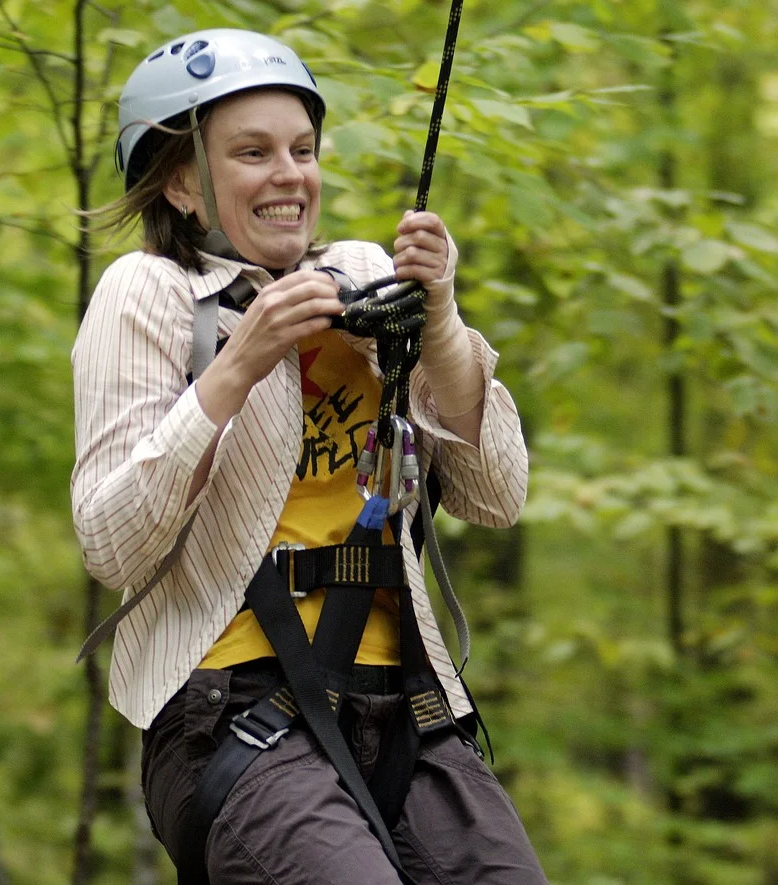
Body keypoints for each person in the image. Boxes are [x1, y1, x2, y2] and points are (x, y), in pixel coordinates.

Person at [71, 28, 546, 885]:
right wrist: (238, 364)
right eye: (251, 153)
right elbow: (111, 544)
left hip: (406, 700)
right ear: (181, 181)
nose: (290, 174)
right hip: (230, 708)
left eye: (302, 149)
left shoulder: (365, 275)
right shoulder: (148, 293)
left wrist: (439, 324)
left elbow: (497, 493)